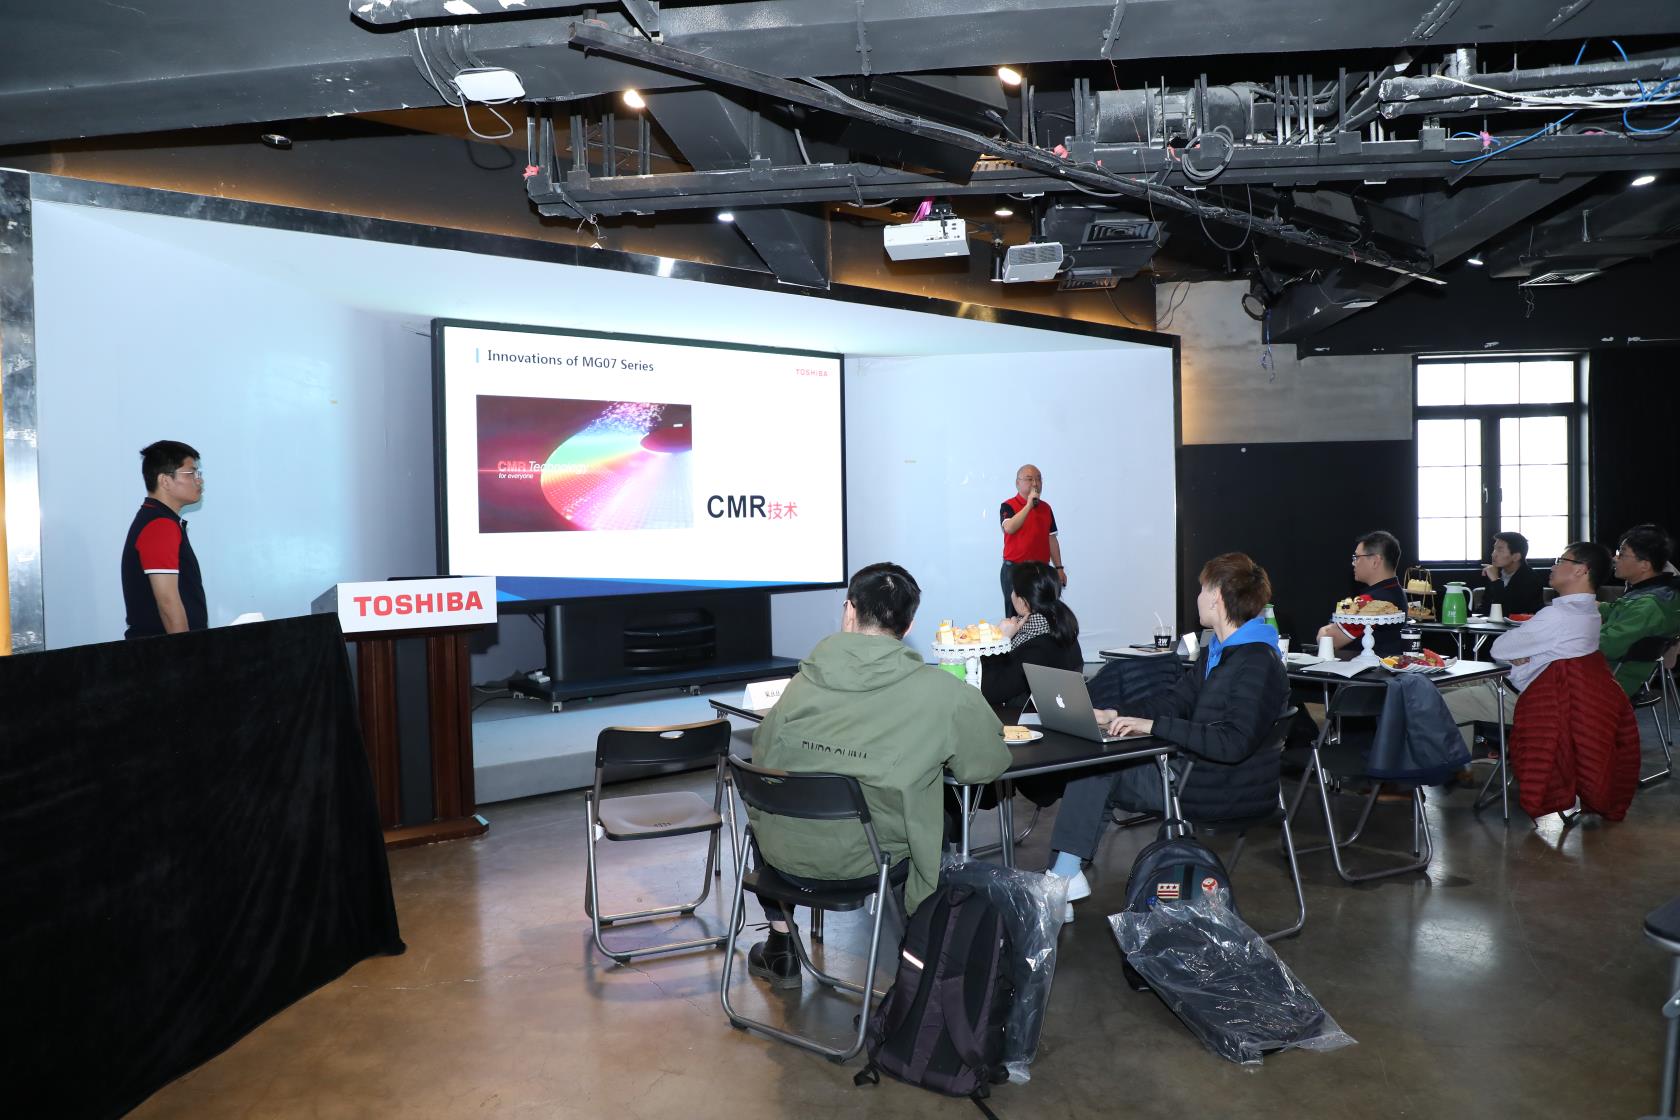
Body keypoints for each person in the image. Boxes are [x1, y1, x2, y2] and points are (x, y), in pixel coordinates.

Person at [745, 562, 1011, 986]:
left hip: (785, 859)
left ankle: (781, 944)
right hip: (871, 863)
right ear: (909, 626)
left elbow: (762, 759)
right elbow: (988, 764)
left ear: (849, 611)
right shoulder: (943, 693)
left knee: (776, 801)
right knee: (937, 816)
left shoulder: (800, 684)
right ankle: (919, 951)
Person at [1046, 553, 1288, 922]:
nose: (1198, 597)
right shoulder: (1222, 653)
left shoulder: (1256, 663)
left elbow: (1232, 743)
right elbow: (1174, 701)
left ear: (1217, 596)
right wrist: (1117, 714)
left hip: (1220, 787)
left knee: (1096, 768)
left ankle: (1062, 878)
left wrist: (1153, 726)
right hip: (1201, 773)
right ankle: (1065, 875)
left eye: (1202, 589)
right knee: (1102, 767)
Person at [1442, 541, 1611, 747]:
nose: (1553, 566)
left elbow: (1499, 648)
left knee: (1435, 703)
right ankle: (1464, 763)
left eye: (1561, 561)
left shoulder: (1557, 615)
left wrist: (1519, 652)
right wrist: (1521, 652)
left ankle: (1448, 766)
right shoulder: (1591, 614)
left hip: (1520, 700)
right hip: (1555, 701)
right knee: (1442, 689)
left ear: (1580, 570)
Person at [121, 440, 208, 638]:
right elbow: (168, 602)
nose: (199, 480)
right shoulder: (160, 525)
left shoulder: (158, 520)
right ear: (165, 481)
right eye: (191, 473)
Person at [978, 561, 1082, 707]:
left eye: (1013, 590)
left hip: (1018, 717)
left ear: (1023, 602)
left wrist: (998, 643)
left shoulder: (1035, 648)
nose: (1011, 594)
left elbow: (986, 691)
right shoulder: (1062, 628)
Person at [1600, 524, 1680, 696]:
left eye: (1622, 554)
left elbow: (1607, 646)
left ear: (1644, 565)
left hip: (1610, 681)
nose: (1615, 558)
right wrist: (1590, 604)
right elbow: (1618, 610)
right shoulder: (1656, 593)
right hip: (1618, 674)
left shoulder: (1647, 605)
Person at [1317, 530, 1408, 657]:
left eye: (1357, 557)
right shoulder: (1397, 592)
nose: (1353, 563)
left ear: (1375, 561)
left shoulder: (1371, 601)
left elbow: (1329, 641)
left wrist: (1324, 630)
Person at [999, 464, 1065, 618]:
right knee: (1015, 618)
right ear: (1018, 483)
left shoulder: (1046, 508)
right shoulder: (1008, 505)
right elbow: (1009, 528)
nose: (1035, 483)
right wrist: (1029, 505)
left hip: (1041, 570)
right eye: (1029, 479)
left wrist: (1059, 568)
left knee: (1044, 615)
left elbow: (1051, 538)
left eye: (1038, 479)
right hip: (1015, 570)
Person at [1481, 531, 1544, 616]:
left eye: (1500, 550)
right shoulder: (1495, 572)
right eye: (1494, 549)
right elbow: (1485, 608)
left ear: (1516, 557)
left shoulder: (1531, 579)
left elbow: (1509, 611)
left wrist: (1496, 582)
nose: (1493, 554)